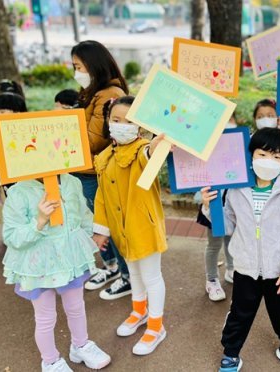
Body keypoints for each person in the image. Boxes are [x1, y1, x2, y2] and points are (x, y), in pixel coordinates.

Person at [200, 128, 280, 372]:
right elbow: (226, 226)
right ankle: (231, 352)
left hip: (279, 271)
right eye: (262, 154)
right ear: (250, 156)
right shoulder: (236, 189)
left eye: (276, 157)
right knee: (240, 313)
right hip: (245, 268)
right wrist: (209, 207)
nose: (268, 162)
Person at [2, 174, 111, 371]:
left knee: (76, 306)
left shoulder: (72, 182)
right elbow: (11, 236)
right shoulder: (18, 192)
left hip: (70, 259)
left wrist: (92, 234)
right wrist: (40, 220)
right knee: (45, 317)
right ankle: (50, 360)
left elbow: (82, 214)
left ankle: (80, 345)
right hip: (39, 266)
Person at [92, 96, 168, 356]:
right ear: (108, 121)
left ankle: (157, 326)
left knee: (151, 276)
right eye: (116, 120)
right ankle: (139, 311)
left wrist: (156, 145)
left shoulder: (141, 149)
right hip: (120, 231)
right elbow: (101, 196)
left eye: (129, 121)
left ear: (141, 126)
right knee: (133, 273)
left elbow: (149, 158)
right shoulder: (104, 157)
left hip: (143, 227)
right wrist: (100, 231)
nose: (121, 125)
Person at [71, 40, 132, 300]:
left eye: (79, 66)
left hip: (96, 170)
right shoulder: (94, 91)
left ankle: (127, 276)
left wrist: (64, 137)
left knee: (109, 226)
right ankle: (114, 268)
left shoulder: (107, 93)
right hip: (87, 169)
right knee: (98, 223)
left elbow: (94, 139)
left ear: (94, 65)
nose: (76, 72)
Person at [196, 114, 238, 302]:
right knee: (214, 244)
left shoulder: (239, 146)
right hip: (212, 202)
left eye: (230, 120)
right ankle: (211, 279)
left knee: (231, 239)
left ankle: (231, 269)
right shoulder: (207, 148)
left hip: (233, 204)